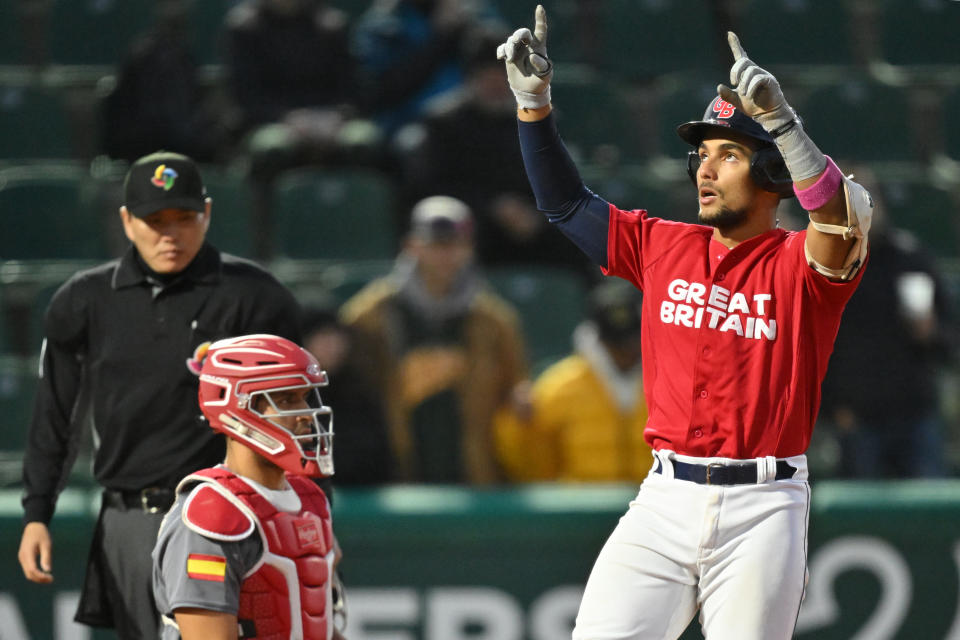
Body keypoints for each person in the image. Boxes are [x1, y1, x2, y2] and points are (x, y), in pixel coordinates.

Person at [498, 7, 873, 638]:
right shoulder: (662, 245)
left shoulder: (801, 264)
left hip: (763, 505)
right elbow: (563, 203)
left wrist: (783, 124)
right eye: (701, 154)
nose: (703, 168)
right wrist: (534, 106)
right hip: (663, 497)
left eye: (727, 155)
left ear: (772, 172)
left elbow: (836, 221)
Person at [17, 151, 302, 639]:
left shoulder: (255, 296)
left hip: (231, 516)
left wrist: (315, 512)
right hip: (130, 517)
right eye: (154, 220)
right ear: (127, 221)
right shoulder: (84, 301)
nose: (170, 234)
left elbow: (291, 412)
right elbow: (55, 414)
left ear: (207, 214)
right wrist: (37, 511)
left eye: (184, 218)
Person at [152, 334, 345, 640]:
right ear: (238, 407)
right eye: (285, 400)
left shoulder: (310, 501)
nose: (306, 414)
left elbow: (311, 626)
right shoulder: (213, 516)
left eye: (305, 397)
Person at [340, 195, 528, 484]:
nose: (446, 255)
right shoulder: (369, 315)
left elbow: (516, 386)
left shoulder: (494, 321)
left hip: (473, 472)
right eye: (436, 245)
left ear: (469, 249)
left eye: (455, 245)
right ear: (412, 246)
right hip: (397, 472)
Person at [397, 27, 590, 274]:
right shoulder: (444, 123)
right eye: (487, 77)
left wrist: (534, 215)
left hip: (533, 224)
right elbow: (431, 188)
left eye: (503, 76)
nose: (496, 85)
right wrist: (492, 206)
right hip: (473, 226)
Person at [821, 170, 956, 478]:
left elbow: (949, 341)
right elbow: (810, 346)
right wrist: (833, 410)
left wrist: (930, 333)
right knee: (860, 522)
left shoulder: (911, 259)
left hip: (916, 415)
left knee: (930, 515)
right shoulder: (825, 269)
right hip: (855, 418)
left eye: (870, 200)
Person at [495, 280, 650, 482]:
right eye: (617, 345)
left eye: (633, 341)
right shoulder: (558, 388)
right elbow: (531, 470)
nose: (627, 352)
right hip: (582, 509)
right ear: (599, 338)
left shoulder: (676, 384)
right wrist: (518, 425)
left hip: (658, 507)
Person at [301, 306, 395, 484]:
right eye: (321, 338)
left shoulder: (361, 392)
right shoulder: (288, 396)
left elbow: (376, 457)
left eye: (335, 337)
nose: (331, 346)